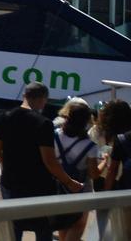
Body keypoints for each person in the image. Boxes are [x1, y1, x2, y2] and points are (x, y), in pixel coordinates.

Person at [0, 82, 83, 240]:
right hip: (38, 186)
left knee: (13, 228)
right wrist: (69, 182)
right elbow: (49, 161)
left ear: (24, 96)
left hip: (10, 183)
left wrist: (10, 166)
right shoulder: (43, 123)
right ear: (42, 99)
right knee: (43, 229)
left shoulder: (4, 117)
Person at [52, 99, 98, 241]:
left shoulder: (54, 135)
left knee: (63, 223)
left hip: (56, 185)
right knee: (78, 224)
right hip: (79, 190)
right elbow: (93, 173)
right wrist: (104, 163)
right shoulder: (90, 146)